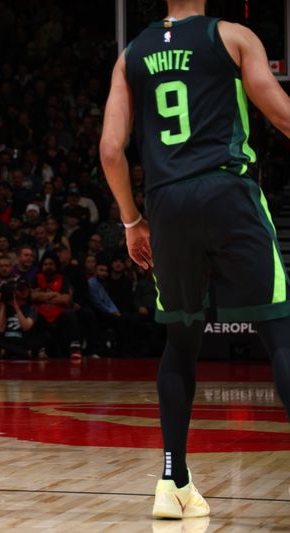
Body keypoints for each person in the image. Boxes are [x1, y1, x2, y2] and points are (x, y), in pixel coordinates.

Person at [100, 0, 290, 519]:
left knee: (181, 341)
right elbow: (279, 112)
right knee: (279, 332)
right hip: (227, 190)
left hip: (167, 205)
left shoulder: (131, 53)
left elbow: (112, 150)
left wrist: (133, 221)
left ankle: (172, 481)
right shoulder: (231, 35)